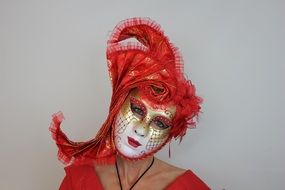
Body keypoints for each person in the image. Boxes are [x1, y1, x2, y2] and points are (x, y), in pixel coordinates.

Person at [50, 17, 210, 190]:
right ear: (118, 105)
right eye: (137, 109)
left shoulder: (189, 187)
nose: (141, 130)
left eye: (159, 122)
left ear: (170, 133)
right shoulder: (79, 179)